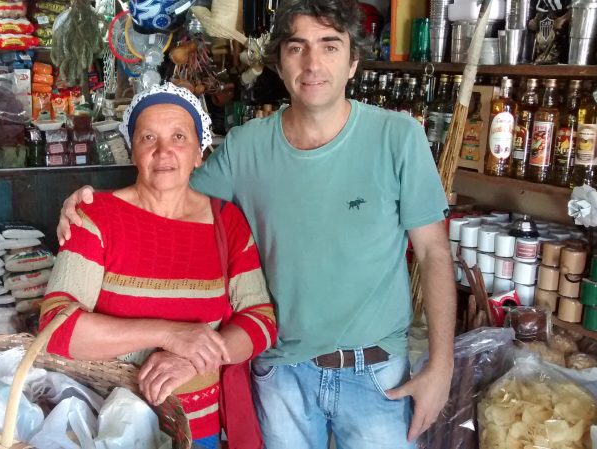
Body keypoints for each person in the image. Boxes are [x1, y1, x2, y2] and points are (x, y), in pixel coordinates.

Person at [58, 0, 455, 447]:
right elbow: (166, 190)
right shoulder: (245, 147)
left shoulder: (397, 137)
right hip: (281, 373)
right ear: (279, 64)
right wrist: (91, 203)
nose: (312, 63)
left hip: (376, 373)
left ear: (353, 62)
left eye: (330, 46)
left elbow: (434, 252)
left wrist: (441, 366)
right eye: (297, 48)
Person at [40, 83, 277, 449]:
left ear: (199, 153)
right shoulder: (95, 217)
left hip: (200, 429)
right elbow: (57, 327)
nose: (163, 151)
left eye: (179, 137)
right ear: (133, 151)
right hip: (111, 427)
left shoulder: (226, 222)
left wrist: (194, 361)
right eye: (148, 137)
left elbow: (260, 319)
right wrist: (168, 335)